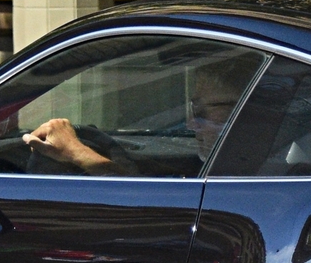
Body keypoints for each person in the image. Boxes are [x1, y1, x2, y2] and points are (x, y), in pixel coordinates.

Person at [23, 53, 258, 175]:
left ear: (252, 113)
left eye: (213, 110)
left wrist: (76, 151)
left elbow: (155, 210)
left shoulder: (254, 179)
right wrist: (121, 160)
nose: (191, 124)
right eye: (194, 109)